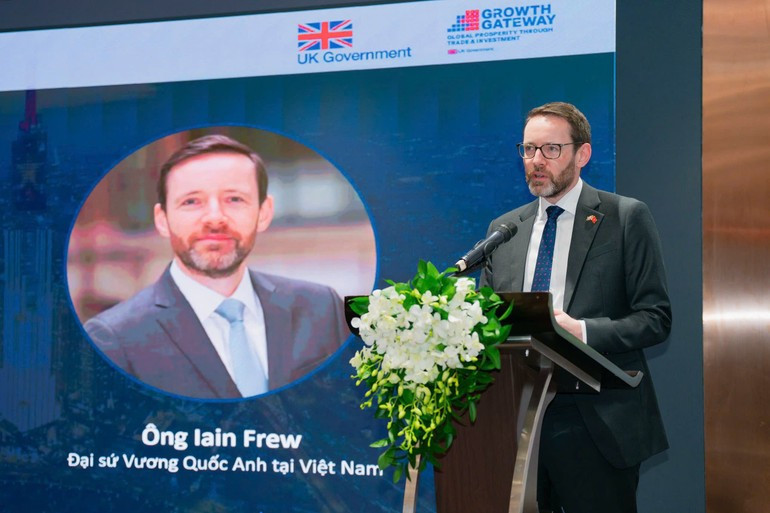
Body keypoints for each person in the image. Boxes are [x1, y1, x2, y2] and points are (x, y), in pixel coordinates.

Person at [480, 102, 671, 512]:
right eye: (528, 149)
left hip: (596, 420)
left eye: (551, 149)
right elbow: (489, 320)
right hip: (516, 420)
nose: (536, 161)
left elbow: (655, 319)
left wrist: (579, 330)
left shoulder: (624, 217)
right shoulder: (505, 229)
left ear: (581, 154)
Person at [85, 134, 349, 399]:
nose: (214, 218)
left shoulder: (321, 308)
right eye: (191, 201)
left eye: (234, 199)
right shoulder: (113, 340)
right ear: (162, 219)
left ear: (264, 213)